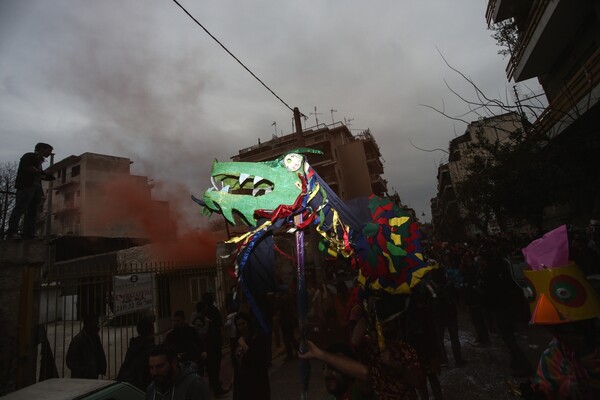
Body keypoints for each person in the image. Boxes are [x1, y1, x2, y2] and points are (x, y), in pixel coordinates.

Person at [5, 142, 55, 240]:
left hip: (36, 187)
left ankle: (29, 234)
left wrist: (46, 177)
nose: (50, 153)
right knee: (20, 208)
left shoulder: (39, 162)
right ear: (41, 149)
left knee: (33, 211)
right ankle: (12, 232)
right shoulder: (29, 156)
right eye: (49, 150)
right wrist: (43, 172)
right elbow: (28, 168)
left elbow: (38, 175)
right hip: (27, 186)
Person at [306, 342, 375, 400]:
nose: (326, 374)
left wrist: (321, 354)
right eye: (325, 368)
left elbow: (364, 372)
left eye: (334, 368)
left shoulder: (359, 392)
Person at [233, 312, 271, 400]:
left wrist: (245, 346)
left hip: (257, 381)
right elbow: (236, 363)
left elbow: (259, 358)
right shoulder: (238, 340)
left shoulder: (258, 337)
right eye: (238, 325)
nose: (241, 327)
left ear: (248, 323)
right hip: (242, 382)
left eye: (243, 323)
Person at [201, 292, 229, 397]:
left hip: (207, 343)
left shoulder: (203, 312)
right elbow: (220, 325)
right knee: (215, 366)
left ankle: (214, 385)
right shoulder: (214, 311)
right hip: (215, 342)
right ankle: (216, 388)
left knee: (211, 367)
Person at [117, 317, 155, 390]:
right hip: (140, 386)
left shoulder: (134, 345)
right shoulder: (150, 349)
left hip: (128, 384)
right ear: (151, 330)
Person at [66, 313, 107, 379]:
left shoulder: (95, 336)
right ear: (88, 323)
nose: (97, 323)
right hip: (82, 379)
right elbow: (70, 361)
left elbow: (99, 353)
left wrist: (100, 367)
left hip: (93, 375)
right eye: (95, 321)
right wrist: (84, 370)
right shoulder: (78, 340)